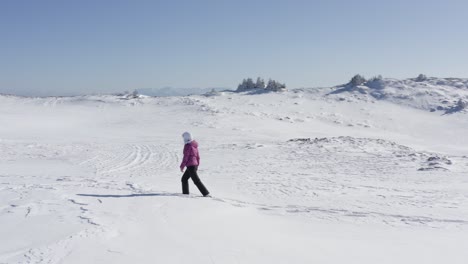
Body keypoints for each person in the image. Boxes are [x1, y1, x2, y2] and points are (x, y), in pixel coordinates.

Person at [180, 132, 210, 197]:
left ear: (186, 138)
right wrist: (197, 165)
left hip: (191, 166)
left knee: (196, 180)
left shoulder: (188, 146)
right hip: (193, 165)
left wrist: (182, 166)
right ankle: (185, 194)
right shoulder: (194, 145)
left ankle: (206, 193)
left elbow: (186, 157)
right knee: (184, 179)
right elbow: (198, 156)